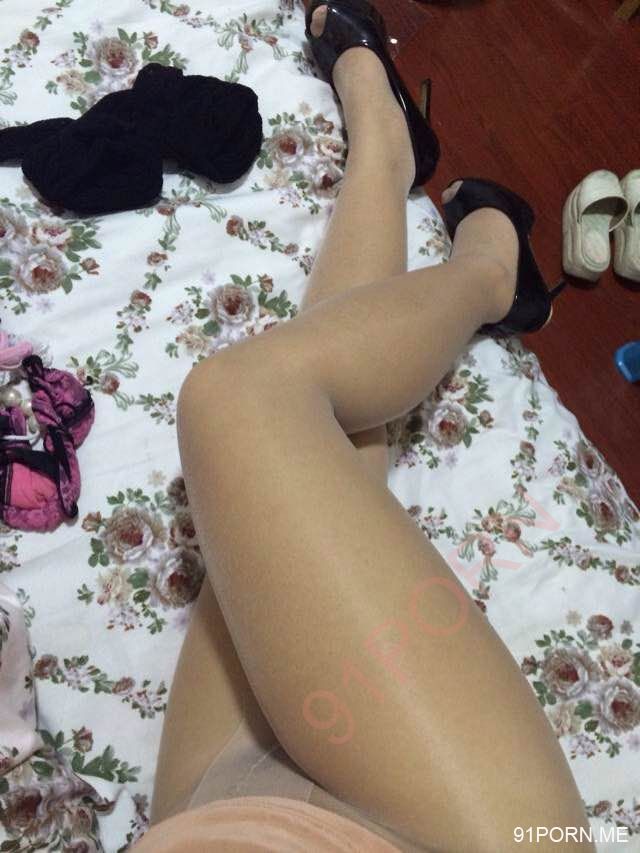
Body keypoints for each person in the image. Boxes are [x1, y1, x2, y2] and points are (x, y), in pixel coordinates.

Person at [135, 1, 594, 850]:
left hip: (212, 822)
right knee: (245, 403)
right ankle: (491, 273)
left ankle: (384, 157)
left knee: (322, 440)